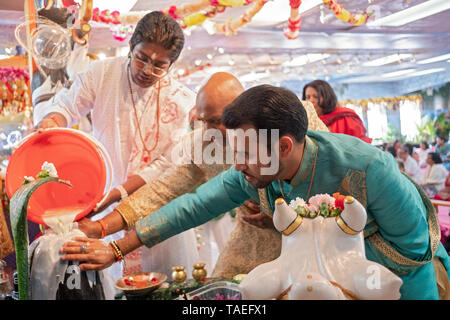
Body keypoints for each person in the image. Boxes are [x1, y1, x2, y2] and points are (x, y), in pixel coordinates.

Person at [61, 85, 449, 300]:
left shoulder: (368, 169)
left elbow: (411, 257)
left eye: (245, 153)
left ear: (282, 146)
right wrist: (116, 247)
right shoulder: (255, 169)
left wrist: (337, 258)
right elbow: (193, 205)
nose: (238, 164)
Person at [73, 73, 329, 278]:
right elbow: (170, 192)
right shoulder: (208, 145)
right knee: (221, 288)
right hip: (253, 237)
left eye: (218, 120)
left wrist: (285, 218)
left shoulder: (296, 117)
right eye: (203, 120)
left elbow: (331, 181)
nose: (210, 130)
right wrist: (102, 227)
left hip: (313, 236)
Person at [34, 12, 200, 281]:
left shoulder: (182, 100)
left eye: (159, 65)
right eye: (142, 58)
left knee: (168, 286)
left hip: (158, 209)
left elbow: (168, 167)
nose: (147, 70)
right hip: (105, 206)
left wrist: (119, 193)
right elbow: (65, 105)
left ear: (172, 65)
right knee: (112, 282)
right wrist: (54, 120)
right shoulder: (102, 73)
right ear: (130, 48)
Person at [302, 80, 372, 143]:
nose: (311, 101)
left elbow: (360, 145)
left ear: (327, 97)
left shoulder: (346, 118)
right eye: (308, 97)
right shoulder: (307, 122)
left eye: (316, 97)